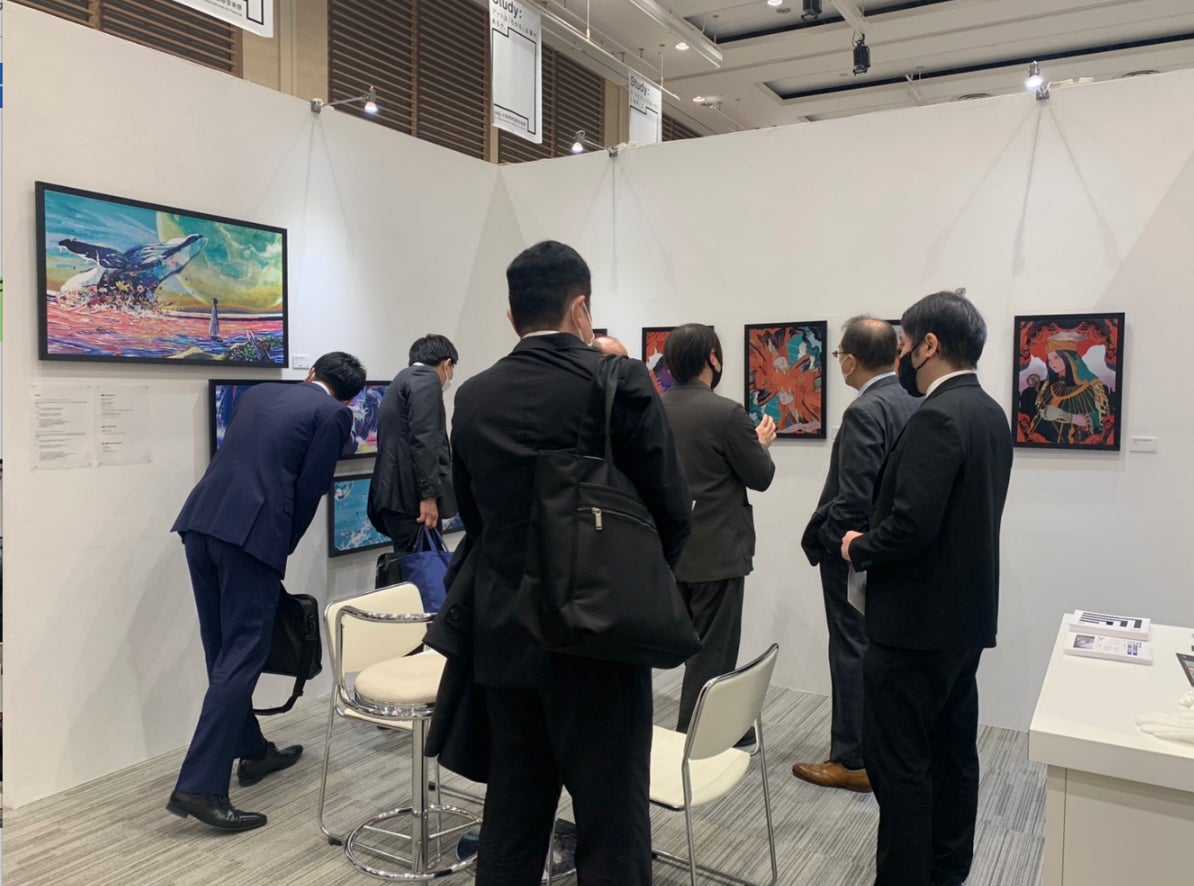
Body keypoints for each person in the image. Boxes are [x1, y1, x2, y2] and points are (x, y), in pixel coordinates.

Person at [451, 240, 691, 885]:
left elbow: (474, 519)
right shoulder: (620, 381)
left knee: (512, 817)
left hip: (505, 632)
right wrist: (631, 583)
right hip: (601, 637)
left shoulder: (472, 395)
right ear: (581, 307)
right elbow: (673, 512)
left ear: (512, 316)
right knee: (613, 825)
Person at [841, 291, 1012, 886]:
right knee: (953, 753)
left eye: (905, 345)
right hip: (964, 621)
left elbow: (912, 525)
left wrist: (859, 545)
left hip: (915, 627)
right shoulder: (990, 412)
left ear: (929, 345)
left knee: (899, 766)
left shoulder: (938, 416)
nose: (901, 357)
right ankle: (947, 870)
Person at [167, 352, 366, 832]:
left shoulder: (259, 393)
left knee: (222, 650)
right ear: (350, 398)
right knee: (243, 654)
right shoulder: (333, 415)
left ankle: (253, 751)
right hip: (251, 536)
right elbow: (310, 489)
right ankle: (200, 787)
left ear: (312, 373)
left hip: (201, 522)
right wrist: (279, 545)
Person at [794, 316, 919, 792]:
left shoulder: (866, 410)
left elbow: (853, 498)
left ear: (850, 359)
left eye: (839, 354)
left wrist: (832, 542)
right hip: (893, 552)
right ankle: (878, 751)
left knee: (850, 649)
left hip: (856, 555)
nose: (839, 363)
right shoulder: (913, 399)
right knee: (878, 652)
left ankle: (851, 758)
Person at [661, 323, 776, 743]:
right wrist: (760, 444)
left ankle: (717, 729)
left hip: (668, 549)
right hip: (718, 550)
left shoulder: (654, 409)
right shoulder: (727, 413)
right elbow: (760, 477)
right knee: (713, 650)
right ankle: (698, 736)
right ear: (713, 358)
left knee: (686, 646)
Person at [368, 334, 458, 552]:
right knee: (424, 567)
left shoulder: (402, 379)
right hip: (411, 501)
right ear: (447, 364)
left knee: (411, 564)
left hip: (394, 498)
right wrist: (429, 496)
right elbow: (425, 440)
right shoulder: (425, 378)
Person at [1025, 334, 1110, 444]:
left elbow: (1097, 422)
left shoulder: (1088, 388)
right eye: (1049, 360)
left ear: (1069, 359)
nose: (1052, 363)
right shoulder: (1050, 388)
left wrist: (1063, 415)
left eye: (1056, 357)